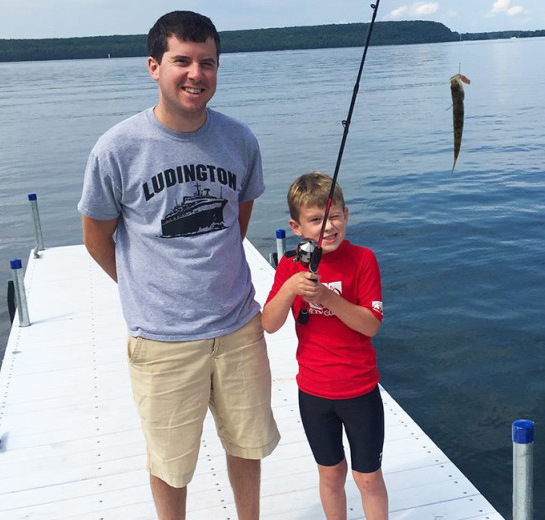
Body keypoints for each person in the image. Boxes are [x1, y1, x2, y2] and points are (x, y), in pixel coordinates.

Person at [77, 11, 279, 520]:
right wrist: (147, 288)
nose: (196, 74)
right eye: (182, 61)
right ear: (154, 66)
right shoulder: (116, 149)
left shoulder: (240, 140)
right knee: (170, 464)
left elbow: (237, 219)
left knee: (247, 445)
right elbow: (96, 239)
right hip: (162, 339)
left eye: (207, 63)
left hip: (239, 326)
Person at [261, 172, 389, 519]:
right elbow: (269, 324)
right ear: (296, 227)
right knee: (331, 473)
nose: (328, 227)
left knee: (367, 476)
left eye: (334, 216)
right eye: (316, 220)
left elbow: (371, 325)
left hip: (360, 391)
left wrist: (326, 297)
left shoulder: (363, 260)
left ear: (347, 216)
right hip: (314, 392)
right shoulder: (290, 264)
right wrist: (290, 288)